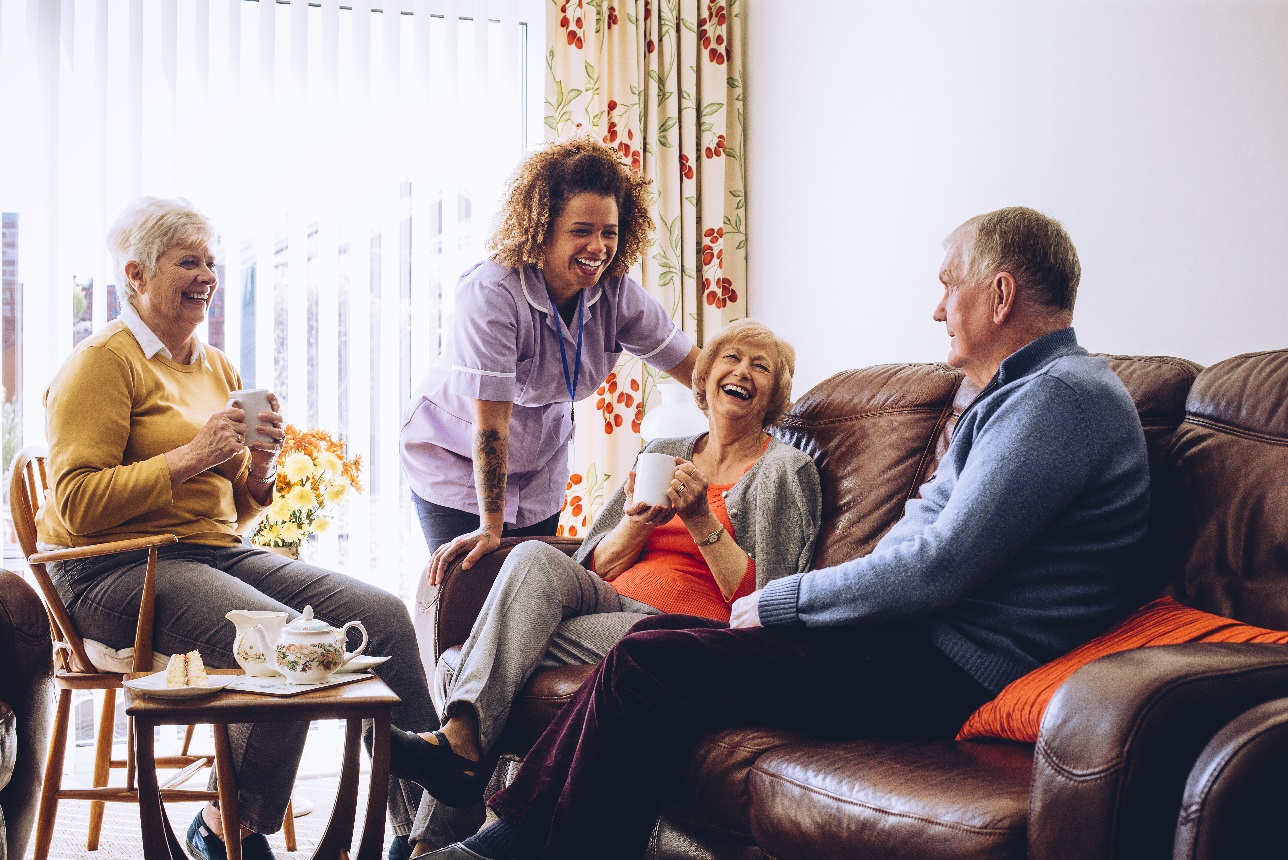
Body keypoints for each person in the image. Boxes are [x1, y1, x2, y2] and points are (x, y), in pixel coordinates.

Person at [413, 206, 1154, 859]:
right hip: (904, 641)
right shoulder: (1014, 395)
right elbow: (922, 557)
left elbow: (937, 567)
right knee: (642, 648)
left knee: (650, 665)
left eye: (946, 286)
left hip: (941, 667)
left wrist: (787, 599)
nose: (937, 311)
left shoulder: (1062, 399)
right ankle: (506, 838)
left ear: (999, 294)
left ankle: (510, 843)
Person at [37, 197, 438, 860]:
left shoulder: (215, 366)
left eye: (211, 261)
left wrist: (260, 469)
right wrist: (190, 455)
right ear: (136, 274)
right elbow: (76, 504)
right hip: (107, 570)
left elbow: (235, 511)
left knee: (385, 616)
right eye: (187, 262)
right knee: (283, 642)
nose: (206, 275)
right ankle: (230, 828)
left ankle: (426, 838)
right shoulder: (101, 363)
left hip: (212, 553)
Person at [396, 319, 821, 847]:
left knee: (478, 659)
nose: (742, 371)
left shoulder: (784, 469)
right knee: (532, 555)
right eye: (731, 358)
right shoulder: (665, 449)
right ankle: (456, 755)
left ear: (775, 394)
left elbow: (768, 604)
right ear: (706, 377)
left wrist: (700, 520)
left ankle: (424, 837)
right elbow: (592, 565)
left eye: (761, 366)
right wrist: (638, 519)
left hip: (685, 632)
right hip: (610, 601)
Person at [398, 137, 701, 580]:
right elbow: (491, 424)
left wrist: (777, 416)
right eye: (581, 231)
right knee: (470, 593)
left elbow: (701, 371)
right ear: (542, 229)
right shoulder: (493, 293)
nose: (598, 247)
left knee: (527, 598)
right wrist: (490, 525)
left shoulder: (615, 294)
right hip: (458, 459)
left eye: (609, 232)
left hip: (539, 466)